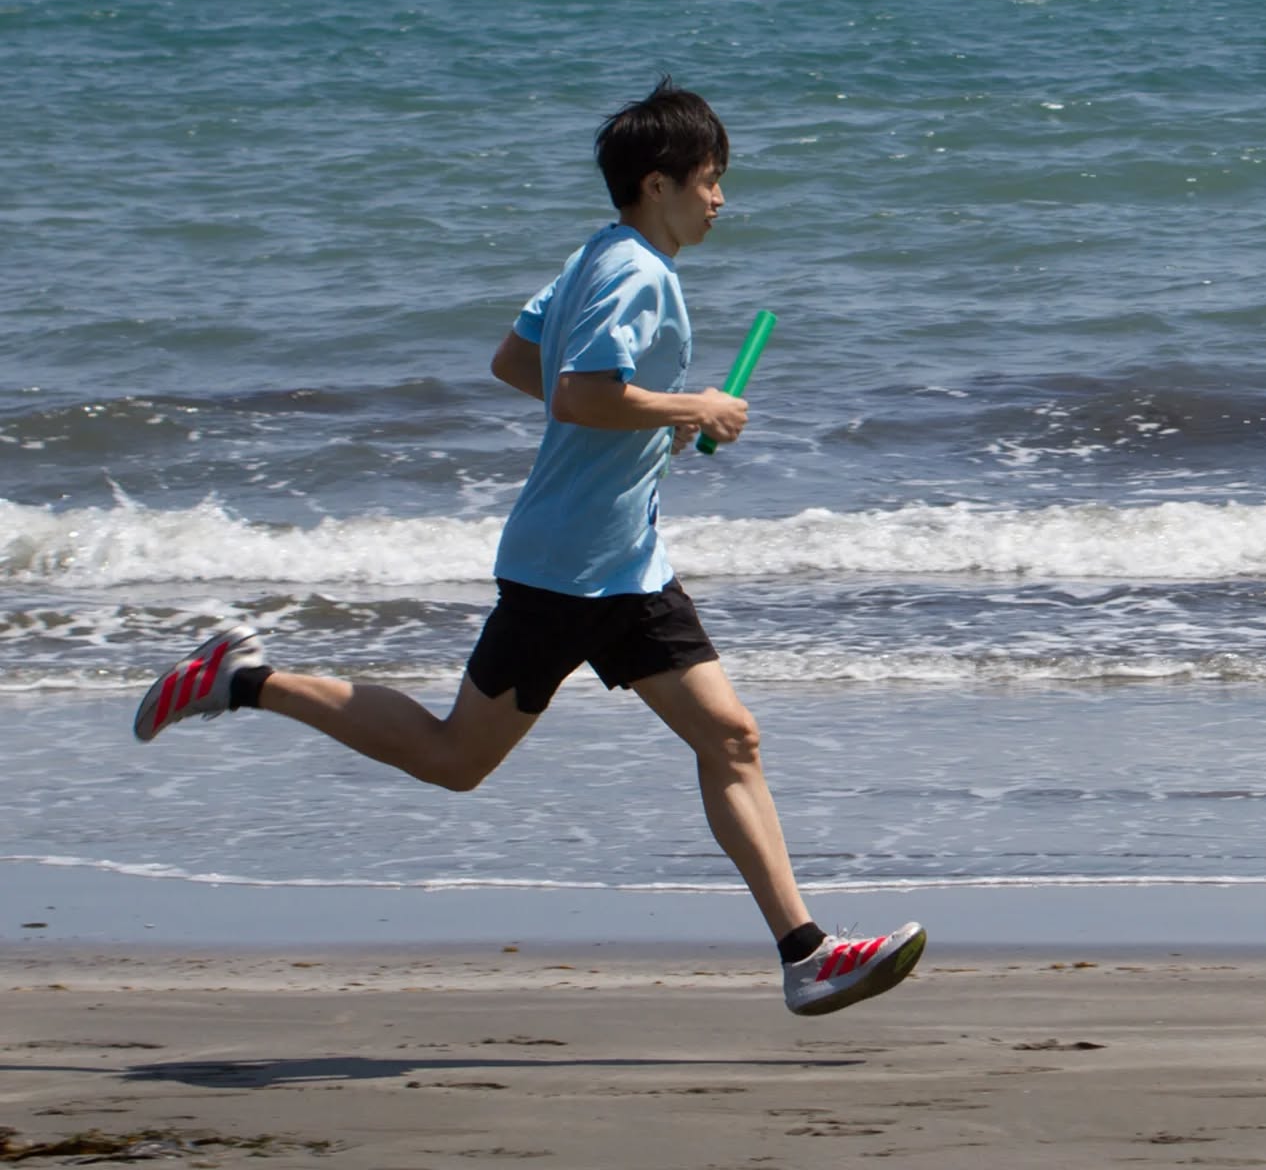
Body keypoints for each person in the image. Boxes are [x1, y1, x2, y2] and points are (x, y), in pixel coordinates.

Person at [133, 79, 926, 1016]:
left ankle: (807, 955)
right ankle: (245, 678)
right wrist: (690, 408)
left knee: (730, 736)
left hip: (624, 562)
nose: (721, 200)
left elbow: (519, 362)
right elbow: (577, 393)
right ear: (659, 183)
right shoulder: (638, 273)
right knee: (454, 758)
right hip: (569, 572)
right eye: (711, 180)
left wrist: (639, 427)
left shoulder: (594, 257)